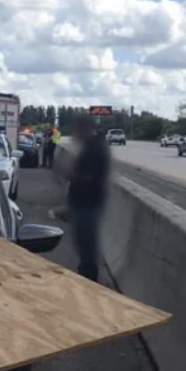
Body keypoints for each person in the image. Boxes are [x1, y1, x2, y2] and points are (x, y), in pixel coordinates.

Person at [66, 115, 110, 282]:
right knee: (83, 243)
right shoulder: (89, 146)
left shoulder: (96, 149)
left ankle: (89, 279)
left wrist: (70, 174)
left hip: (88, 203)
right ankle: (86, 273)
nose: (75, 133)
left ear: (86, 129)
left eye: (77, 129)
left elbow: (89, 177)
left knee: (87, 243)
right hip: (83, 203)